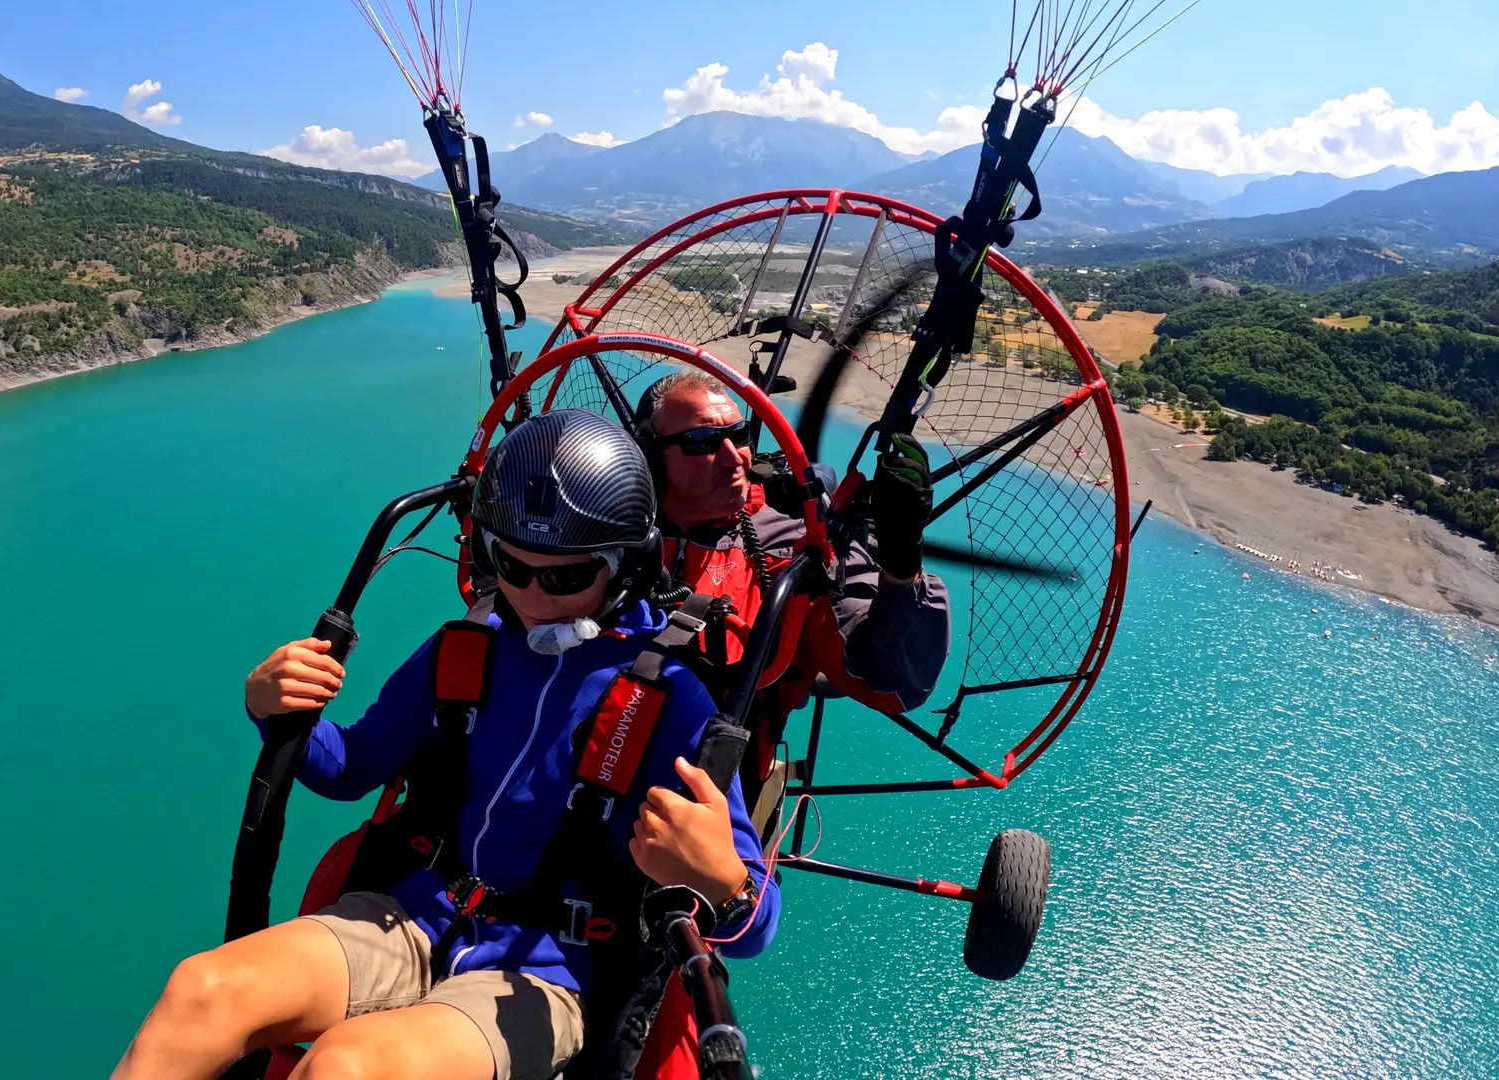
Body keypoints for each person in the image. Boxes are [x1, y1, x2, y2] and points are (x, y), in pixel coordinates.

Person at [112, 409, 779, 1080]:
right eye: (509, 566)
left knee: (349, 1067)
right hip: (420, 914)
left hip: (550, 970)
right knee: (202, 990)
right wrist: (276, 711)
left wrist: (720, 879)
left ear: (628, 565)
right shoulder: (463, 655)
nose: (532, 597)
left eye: (566, 577)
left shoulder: (669, 702)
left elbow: (756, 920)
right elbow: (350, 766)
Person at [633, 370, 950, 714]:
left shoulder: (801, 547)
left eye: (739, 435)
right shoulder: (609, 528)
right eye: (703, 440)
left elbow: (896, 685)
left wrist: (903, 569)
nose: (735, 457)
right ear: (651, 455)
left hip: (720, 762)